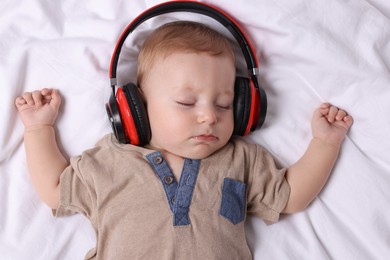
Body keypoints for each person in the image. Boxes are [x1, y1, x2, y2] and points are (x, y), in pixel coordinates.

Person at [15, 21, 353, 259]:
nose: (210, 115)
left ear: (244, 108)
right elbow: (56, 189)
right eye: (186, 103)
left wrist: (324, 143)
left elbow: (290, 197)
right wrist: (38, 129)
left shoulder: (242, 159)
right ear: (136, 107)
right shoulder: (110, 159)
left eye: (223, 104)